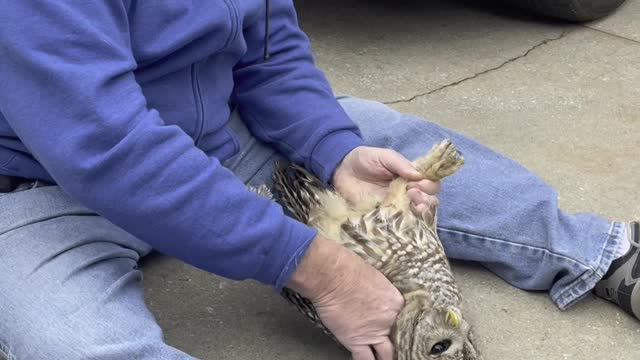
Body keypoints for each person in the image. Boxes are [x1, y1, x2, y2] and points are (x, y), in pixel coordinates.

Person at [0, 1, 636, 359]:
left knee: (389, 140)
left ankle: (605, 254)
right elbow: (108, 147)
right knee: (71, 341)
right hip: (47, 189)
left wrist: (336, 154)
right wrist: (326, 274)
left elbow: (269, 50)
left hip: (219, 139)